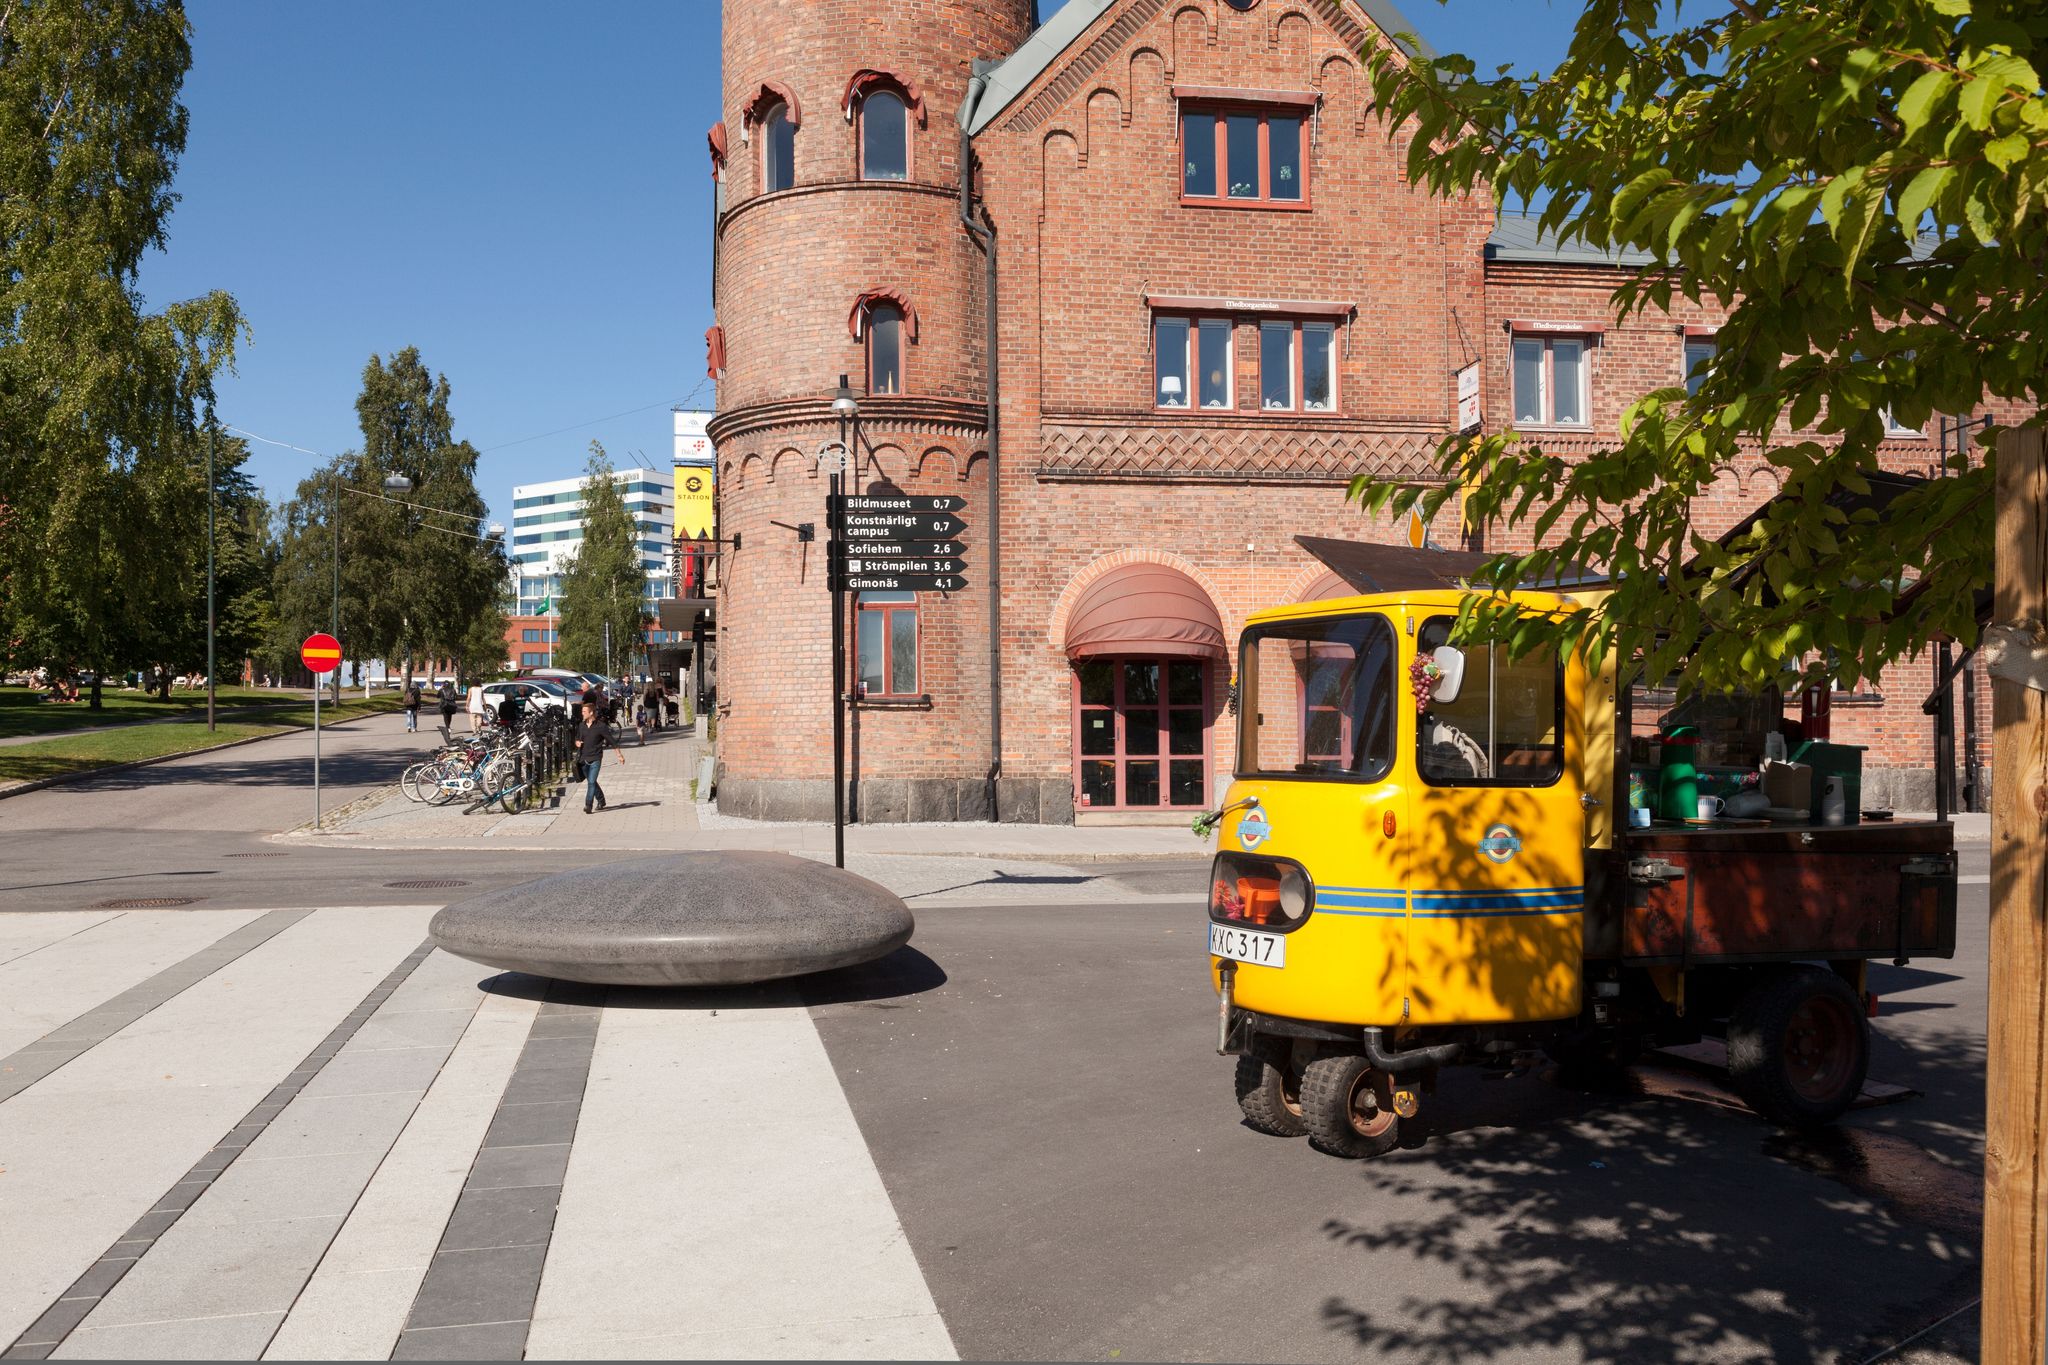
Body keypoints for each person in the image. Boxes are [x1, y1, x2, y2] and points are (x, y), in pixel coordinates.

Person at [573, 698, 624, 814]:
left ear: (591, 712)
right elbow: (577, 738)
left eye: (584, 712)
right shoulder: (581, 725)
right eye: (582, 711)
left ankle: (588, 805)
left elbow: (612, 741)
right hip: (583, 758)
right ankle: (601, 800)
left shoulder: (601, 726)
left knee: (591, 782)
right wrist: (577, 742)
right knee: (592, 782)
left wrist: (619, 755)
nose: (582, 714)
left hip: (596, 757)